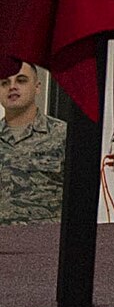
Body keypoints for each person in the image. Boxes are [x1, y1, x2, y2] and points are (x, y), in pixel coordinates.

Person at [0, 62, 66, 223]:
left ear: (37, 87)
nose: (12, 87)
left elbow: (81, 196)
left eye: (21, 80)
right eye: (4, 83)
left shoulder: (63, 135)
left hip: (44, 243)